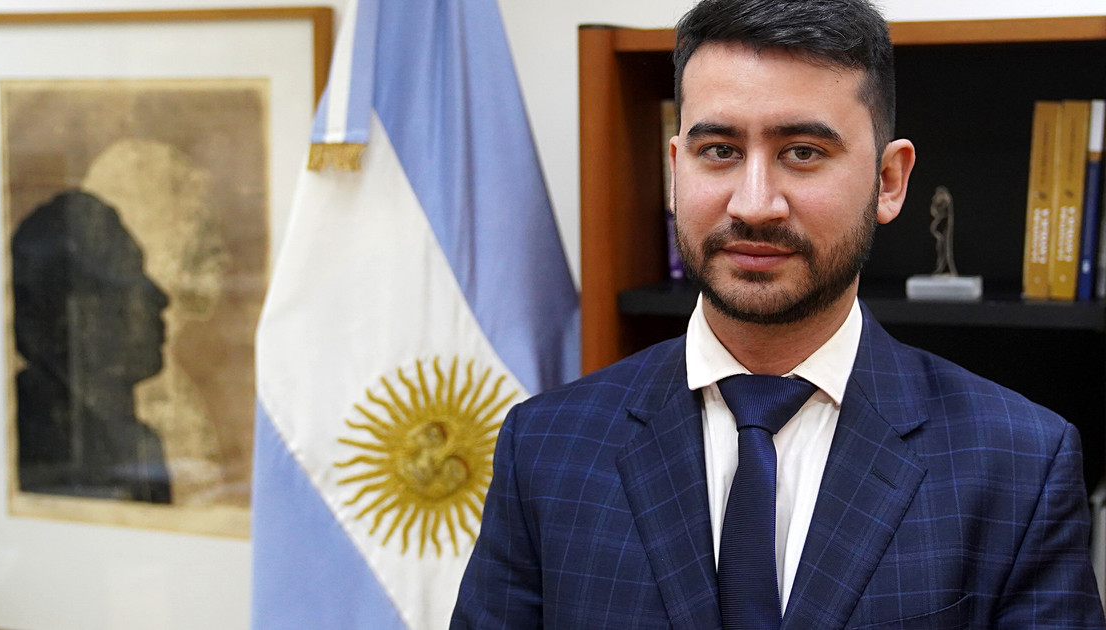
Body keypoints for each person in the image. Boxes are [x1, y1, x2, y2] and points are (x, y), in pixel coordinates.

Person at [450, 0, 1106, 627]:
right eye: (720, 151)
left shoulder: (1020, 463)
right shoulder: (544, 449)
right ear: (676, 171)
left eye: (802, 152)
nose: (755, 204)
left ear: (888, 181)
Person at [13, 190, 173, 504]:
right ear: (69, 315)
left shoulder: (140, 445)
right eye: (127, 277)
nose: (160, 297)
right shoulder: (30, 436)